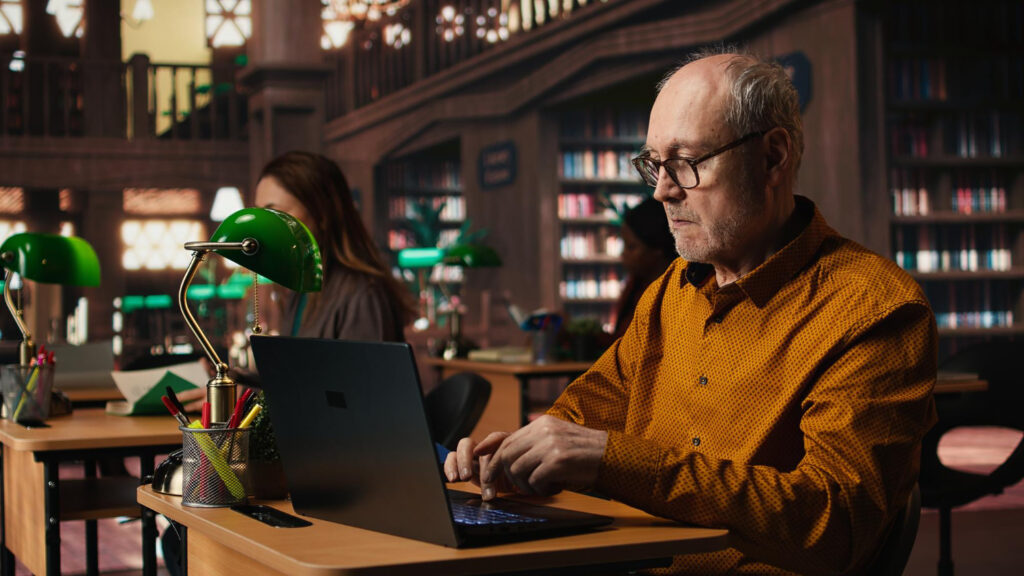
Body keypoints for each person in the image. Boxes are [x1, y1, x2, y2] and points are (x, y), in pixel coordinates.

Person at [445, 48, 937, 575]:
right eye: (654, 164)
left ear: (772, 157)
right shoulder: (670, 290)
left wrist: (612, 461)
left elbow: (833, 524)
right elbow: (588, 412)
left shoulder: (876, 309)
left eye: (686, 163)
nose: (662, 189)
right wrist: (517, 456)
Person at [165, 151, 416, 575]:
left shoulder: (361, 295)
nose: (264, 223)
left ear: (320, 211)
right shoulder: (303, 290)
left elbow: (356, 411)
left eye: (275, 211)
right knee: (183, 532)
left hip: (343, 483)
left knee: (190, 537)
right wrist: (236, 378)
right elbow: (307, 378)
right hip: (306, 470)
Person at [612, 197, 678, 340]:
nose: (623, 254)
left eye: (631, 247)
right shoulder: (635, 285)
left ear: (657, 249)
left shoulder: (675, 296)